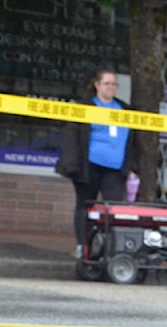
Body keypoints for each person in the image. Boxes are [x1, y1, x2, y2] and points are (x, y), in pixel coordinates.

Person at [56, 68, 138, 258]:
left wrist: (132, 167)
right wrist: (71, 165)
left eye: (114, 84)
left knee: (114, 208)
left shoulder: (125, 110)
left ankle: (109, 248)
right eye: (107, 83)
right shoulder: (85, 107)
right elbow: (73, 138)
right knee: (85, 206)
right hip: (89, 166)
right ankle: (83, 246)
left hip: (116, 169)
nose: (111, 87)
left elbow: (132, 142)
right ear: (97, 85)